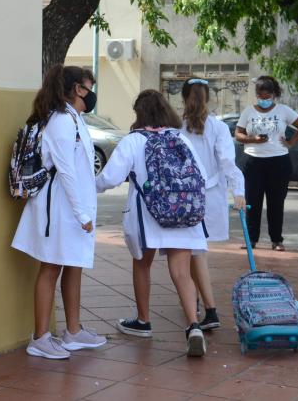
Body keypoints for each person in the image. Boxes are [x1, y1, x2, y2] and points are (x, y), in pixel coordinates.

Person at [97, 89, 209, 357]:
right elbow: (201, 175)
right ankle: (194, 326)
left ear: (140, 113)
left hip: (150, 216)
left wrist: (89, 186)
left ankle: (143, 321)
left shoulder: (134, 140)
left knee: (142, 264)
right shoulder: (180, 138)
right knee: (182, 272)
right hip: (184, 215)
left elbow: (111, 178)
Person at [11, 65, 107, 359]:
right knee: (51, 266)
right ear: (78, 89)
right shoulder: (62, 121)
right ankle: (40, 337)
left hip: (72, 206)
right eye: (89, 87)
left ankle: (73, 332)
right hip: (60, 208)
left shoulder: (74, 118)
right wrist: (81, 214)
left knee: (73, 263)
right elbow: (66, 172)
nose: (92, 94)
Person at [180, 78, 245, 330]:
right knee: (196, 252)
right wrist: (238, 191)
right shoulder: (217, 127)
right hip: (210, 198)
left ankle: (209, 309)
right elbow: (228, 162)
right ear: (208, 97)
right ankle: (197, 303)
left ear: (184, 98)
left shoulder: (180, 128)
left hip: (185, 199)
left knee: (194, 254)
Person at [235, 76, 298, 252]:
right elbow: (238, 134)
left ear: (274, 95)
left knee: (276, 202)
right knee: (253, 202)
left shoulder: (284, 111)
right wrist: (253, 139)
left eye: (267, 97)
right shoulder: (248, 112)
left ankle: (277, 240)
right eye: (260, 96)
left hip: (279, 162)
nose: (264, 100)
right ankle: (251, 239)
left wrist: (291, 142)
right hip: (253, 162)